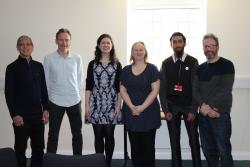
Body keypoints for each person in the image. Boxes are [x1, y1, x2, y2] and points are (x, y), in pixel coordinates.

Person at [5, 35, 49, 167]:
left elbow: (44, 90)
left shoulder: (39, 66)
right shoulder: (11, 68)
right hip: (21, 116)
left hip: (37, 115)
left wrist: (46, 109)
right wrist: (14, 115)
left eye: (28, 44)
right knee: (20, 147)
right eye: (22, 44)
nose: (25, 47)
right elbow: (9, 94)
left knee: (39, 147)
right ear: (18, 48)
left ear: (32, 47)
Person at [159, 32, 202, 167]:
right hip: (172, 107)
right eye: (174, 42)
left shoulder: (193, 61)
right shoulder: (165, 63)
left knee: (194, 140)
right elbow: (162, 88)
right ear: (171, 44)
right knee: (174, 141)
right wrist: (166, 110)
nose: (177, 44)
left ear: (184, 43)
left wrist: (194, 110)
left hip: (189, 106)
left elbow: (196, 87)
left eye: (180, 41)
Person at [193, 33, 235, 167]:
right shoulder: (200, 69)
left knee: (223, 150)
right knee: (208, 150)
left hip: (220, 115)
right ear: (203, 48)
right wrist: (203, 107)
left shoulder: (227, 65)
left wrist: (209, 107)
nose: (208, 49)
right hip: (204, 116)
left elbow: (225, 90)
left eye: (211, 46)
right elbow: (195, 90)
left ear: (217, 47)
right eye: (206, 46)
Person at [120, 41, 161, 167]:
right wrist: (132, 107)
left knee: (148, 148)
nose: (138, 52)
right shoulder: (126, 70)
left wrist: (141, 108)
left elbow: (155, 90)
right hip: (131, 113)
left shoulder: (152, 68)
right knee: (135, 147)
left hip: (148, 113)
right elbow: (122, 90)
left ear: (145, 52)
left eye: (141, 49)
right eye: (135, 50)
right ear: (132, 53)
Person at [44, 28, 84, 155]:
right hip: (55, 101)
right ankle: (50, 160)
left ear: (70, 41)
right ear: (56, 41)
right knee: (53, 134)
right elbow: (46, 81)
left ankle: (77, 160)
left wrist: (74, 92)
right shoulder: (49, 58)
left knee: (77, 134)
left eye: (66, 40)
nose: (64, 42)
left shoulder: (77, 58)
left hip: (74, 100)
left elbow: (79, 78)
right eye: (61, 40)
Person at [85, 34, 122, 167]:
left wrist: (118, 105)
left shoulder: (117, 64)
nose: (106, 45)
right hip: (95, 103)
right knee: (98, 135)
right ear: (99, 45)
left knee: (109, 134)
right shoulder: (92, 64)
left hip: (112, 103)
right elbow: (88, 85)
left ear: (111, 46)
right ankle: (99, 162)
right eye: (103, 43)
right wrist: (87, 106)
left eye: (108, 43)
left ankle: (108, 163)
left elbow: (119, 87)